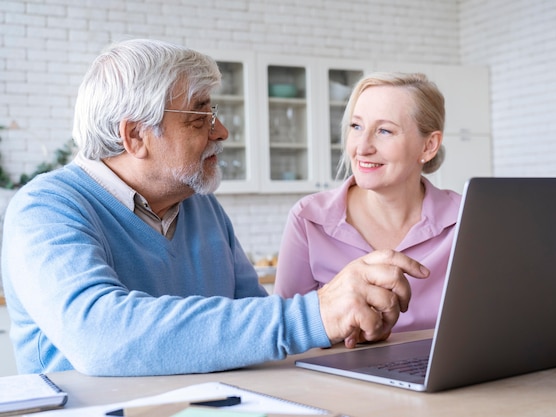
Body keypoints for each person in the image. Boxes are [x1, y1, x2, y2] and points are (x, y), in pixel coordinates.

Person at [0, 40, 430, 377]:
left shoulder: (201, 207)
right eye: (199, 117)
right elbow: (98, 334)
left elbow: (256, 329)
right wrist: (315, 313)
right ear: (135, 136)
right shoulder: (46, 209)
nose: (220, 131)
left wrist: (347, 323)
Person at [274, 72, 461, 332]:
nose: (362, 147)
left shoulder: (466, 220)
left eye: (384, 130)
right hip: (335, 373)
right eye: (356, 126)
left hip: (444, 372)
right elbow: (286, 329)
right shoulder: (309, 218)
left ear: (429, 146)